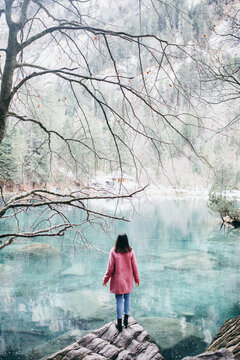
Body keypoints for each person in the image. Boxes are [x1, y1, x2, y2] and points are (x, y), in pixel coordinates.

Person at [102, 233, 140, 332]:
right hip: (128, 280)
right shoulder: (131, 252)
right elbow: (135, 267)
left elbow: (110, 268)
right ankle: (126, 321)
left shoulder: (113, 251)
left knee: (119, 301)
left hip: (118, 282)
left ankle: (119, 324)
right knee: (127, 298)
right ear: (127, 241)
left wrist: (106, 279)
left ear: (117, 241)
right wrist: (137, 279)